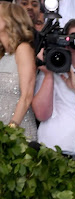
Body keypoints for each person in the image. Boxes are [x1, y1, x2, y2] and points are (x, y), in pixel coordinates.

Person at [33, 17, 75, 156]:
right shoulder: (51, 74)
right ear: (66, 45)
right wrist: (49, 74)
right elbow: (41, 114)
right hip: (54, 156)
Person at [0, 0, 37, 139]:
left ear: (9, 20)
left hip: (18, 132)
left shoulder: (23, 49)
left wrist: (11, 129)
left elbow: (27, 95)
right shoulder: (3, 54)